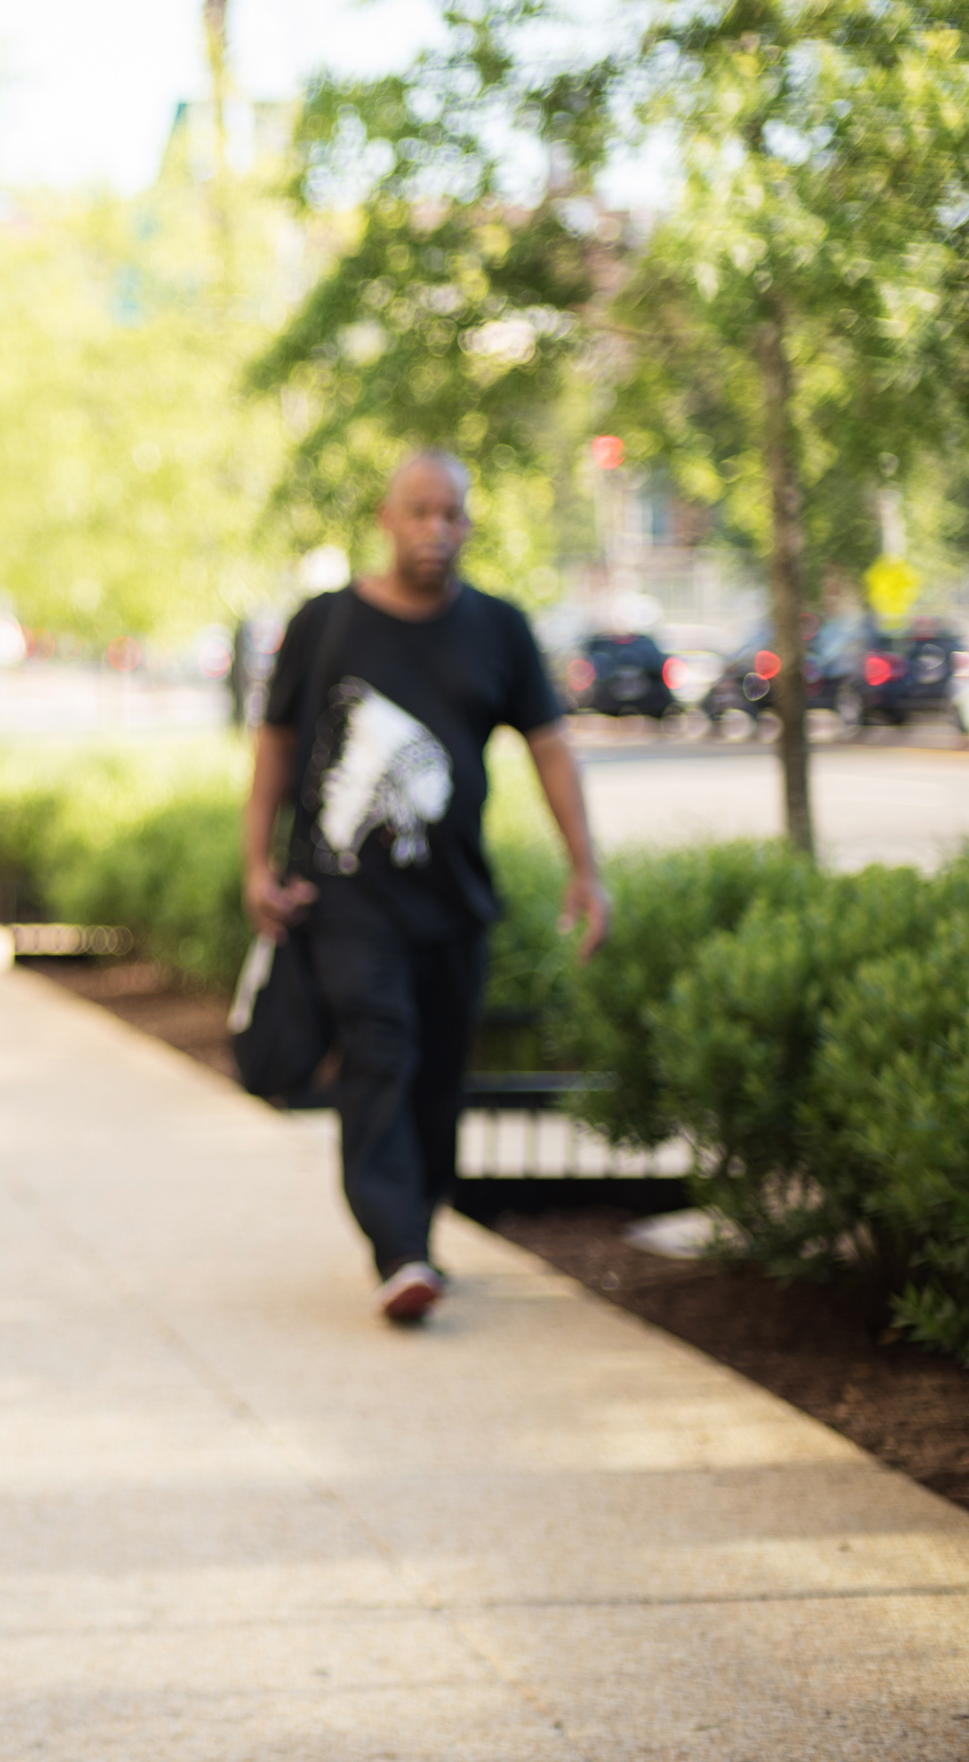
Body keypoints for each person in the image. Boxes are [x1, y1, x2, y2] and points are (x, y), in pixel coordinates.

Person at [242, 450, 607, 1326]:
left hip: (453, 902)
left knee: (439, 1077)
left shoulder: (500, 628)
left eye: (451, 514)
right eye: (418, 511)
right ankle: (398, 1249)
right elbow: (277, 746)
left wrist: (585, 866)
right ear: (385, 517)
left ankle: (419, 1231)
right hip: (345, 901)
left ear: (468, 524)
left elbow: (549, 745)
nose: (435, 529)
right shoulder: (327, 622)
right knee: (381, 1053)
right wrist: (256, 864)